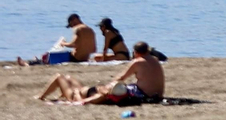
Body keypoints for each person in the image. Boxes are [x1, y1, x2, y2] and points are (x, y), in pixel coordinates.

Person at [37, 42, 165, 106]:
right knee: (70, 79)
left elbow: (121, 77)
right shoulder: (154, 60)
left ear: (136, 52)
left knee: (61, 77)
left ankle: (40, 97)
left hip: (140, 94)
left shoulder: (138, 61)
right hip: (152, 94)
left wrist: (110, 84)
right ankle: (46, 96)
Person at [17, 13, 97, 66]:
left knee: (47, 58)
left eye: (71, 24)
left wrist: (63, 43)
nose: (72, 27)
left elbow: (74, 44)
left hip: (74, 58)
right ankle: (36, 60)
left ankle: (27, 64)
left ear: (74, 19)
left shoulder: (78, 29)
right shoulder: (91, 30)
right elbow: (94, 49)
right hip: (85, 58)